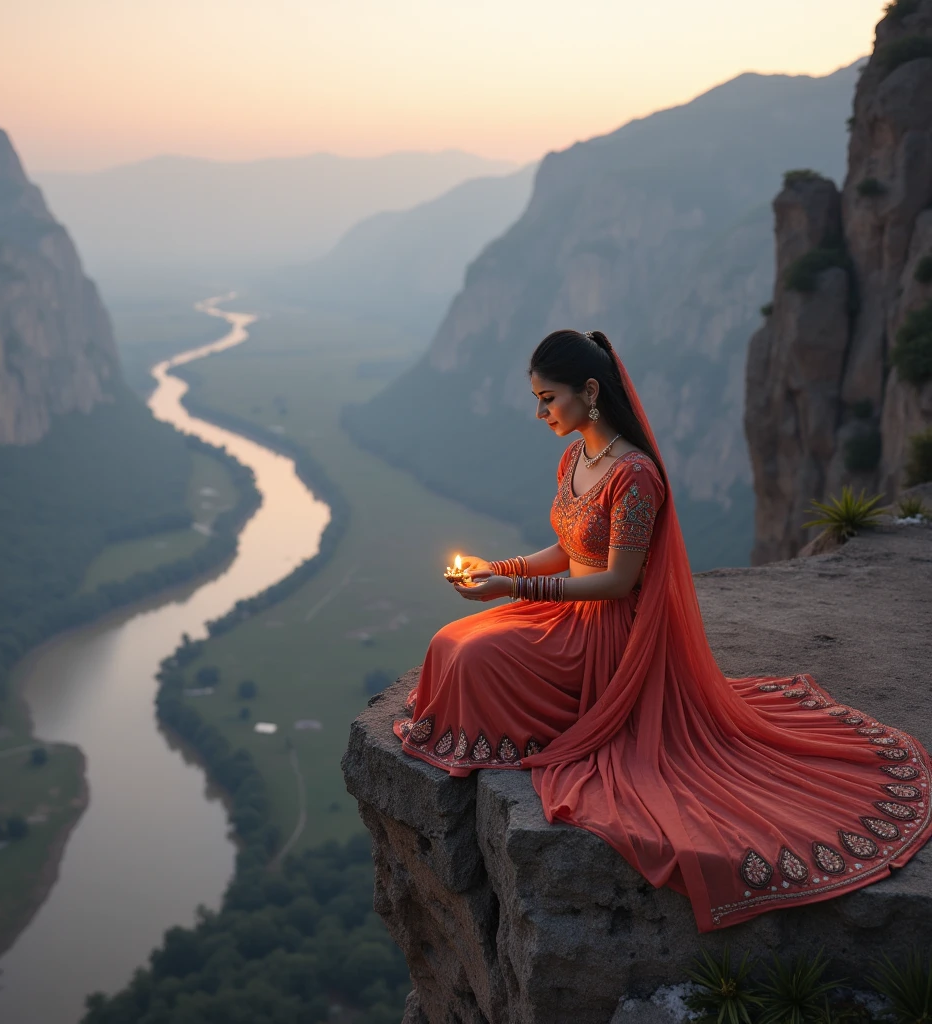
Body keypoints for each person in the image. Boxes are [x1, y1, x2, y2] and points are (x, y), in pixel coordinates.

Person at [393, 328, 932, 932]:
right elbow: (569, 546)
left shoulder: (636, 475)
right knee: (450, 640)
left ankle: (522, 730)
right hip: (564, 611)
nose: (540, 412)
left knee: (473, 657)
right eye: (538, 399)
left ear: (590, 391)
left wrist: (514, 588)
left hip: (606, 635)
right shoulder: (578, 456)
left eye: (548, 398)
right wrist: (501, 568)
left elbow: (618, 581)